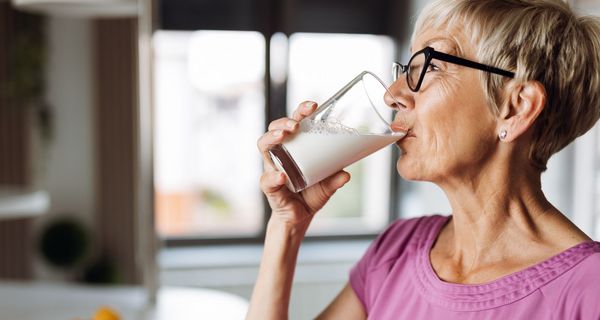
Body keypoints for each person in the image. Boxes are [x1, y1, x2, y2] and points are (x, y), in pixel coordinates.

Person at [248, 0, 600, 318]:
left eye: (430, 66)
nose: (392, 94)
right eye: (405, 67)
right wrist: (286, 228)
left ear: (516, 107)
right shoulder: (398, 249)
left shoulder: (589, 291)